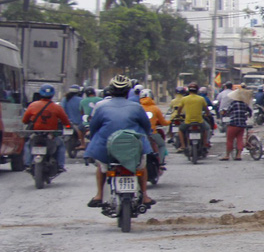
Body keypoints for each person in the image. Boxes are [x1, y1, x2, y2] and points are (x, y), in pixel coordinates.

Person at [84, 75, 155, 207]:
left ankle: (99, 195)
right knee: (142, 167)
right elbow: (146, 127)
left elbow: (94, 128)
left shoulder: (101, 107)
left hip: (107, 149)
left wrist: (94, 139)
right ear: (128, 91)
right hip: (133, 147)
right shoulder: (136, 107)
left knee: (101, 167)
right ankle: (145, 195)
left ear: (110, 90)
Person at [21, 84, 71, 172]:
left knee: (28, 145)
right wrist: (68, 126)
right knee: (61, 146)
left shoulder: (32, 105)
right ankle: (60, 165)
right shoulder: (57, 108)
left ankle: (27, 164)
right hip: (51, 135)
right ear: (52, 95)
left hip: (36, 134)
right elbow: (65, 122)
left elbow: (25, 121)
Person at [139, 88, 171, 164]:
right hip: (153, 133)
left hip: (140, 134)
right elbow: (163, 123)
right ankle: (159, 162)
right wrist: (170, 121)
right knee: (162, 145)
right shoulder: (155, 108)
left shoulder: (137, 107)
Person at [179, 82, 213, 149]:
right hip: (199, 121)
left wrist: (178, 114)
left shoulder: (184, 99)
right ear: (197, 90)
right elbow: (206, 109)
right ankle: (204, 143)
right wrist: (208, 114)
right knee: (206, 128)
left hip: (188, 121)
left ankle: (183, 145)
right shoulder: (201, 98)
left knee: (180, 130)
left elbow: (179, 109)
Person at [221, 88, 253, 160]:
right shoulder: (244, 104)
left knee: (230, 140)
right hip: (242, 125)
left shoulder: (233, 103)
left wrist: (225, 113)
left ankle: (227, 155)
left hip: (233, 124)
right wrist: (248, 115)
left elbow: (228, 111)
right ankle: (239, 155)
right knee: (240, 139)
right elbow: (250, 111)